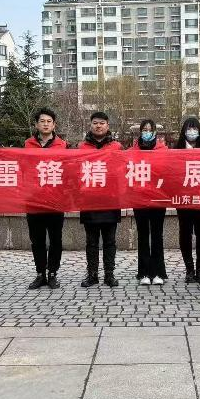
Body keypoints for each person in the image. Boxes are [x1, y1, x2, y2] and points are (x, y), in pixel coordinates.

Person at [24, 108, 68, 290]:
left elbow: (69, 171)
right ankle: (40, 273)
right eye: (42, 121)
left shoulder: (62, 145)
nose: (45, 124)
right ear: (36, 124)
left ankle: (53, 273)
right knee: (37, 240)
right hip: (33, 200)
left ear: (54, 125)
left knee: (56, 240)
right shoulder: (27, 145)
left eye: (49, 121)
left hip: (55, 200)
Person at [78, 112, 123, 287]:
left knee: (110, 241)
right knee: (91, 242)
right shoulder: (82, 147)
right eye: (95, 123)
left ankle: (109, 274)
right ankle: (92, 274)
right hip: (89, 201)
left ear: (108, 125)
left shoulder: (116, 147)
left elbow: (123, 171)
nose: (98, 126)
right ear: (90, 125)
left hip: (110, 201)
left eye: (102, 123)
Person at [172, 116, 200, 283]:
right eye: (189, 128)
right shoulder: (177, 150)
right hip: (184, 199)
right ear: (184, 131)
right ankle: (189, 269)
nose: (192, 132)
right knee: (185, 233)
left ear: (199, 131)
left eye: (195, 128)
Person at [132, 119, 168, 286]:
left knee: (157, 235)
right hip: (139, 199)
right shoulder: (133, 151)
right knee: (143, 235)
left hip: (158, 198)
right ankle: (144, 272)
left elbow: (167, 172)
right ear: (140, 132)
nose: (147, 132)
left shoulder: (163, 150)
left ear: (155, 132)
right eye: (144, 130)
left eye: (150, 130)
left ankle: (158, 272)